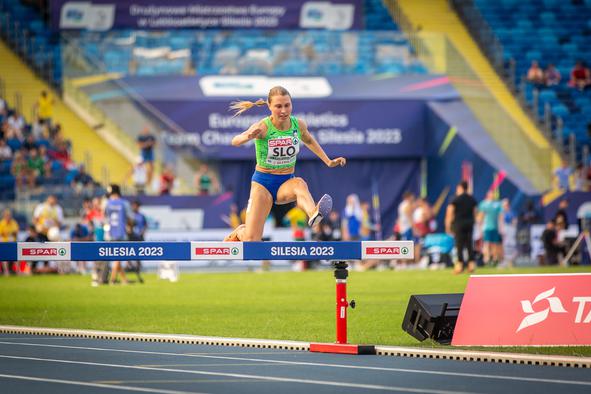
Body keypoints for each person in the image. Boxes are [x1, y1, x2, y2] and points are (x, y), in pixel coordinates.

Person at [223, 86, 345, 242]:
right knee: (251, 241)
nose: (283, 110)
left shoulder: (298, 125)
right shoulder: (263, 126)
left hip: (285, 182)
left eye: (287, 105)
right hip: (263, 184)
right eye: (278, 106)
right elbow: (235, 140)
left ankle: (314, 214)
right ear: (269, 106)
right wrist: (248, 136)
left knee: (300, 184)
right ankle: (241, 231)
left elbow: (309, 140)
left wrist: (328, 161)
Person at [445, 181, 478, 274]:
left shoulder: (456, 199)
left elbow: (450, 211)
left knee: (459, 245)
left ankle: (459, 266)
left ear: (460, 187)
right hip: (469, 224)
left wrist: (448, 225)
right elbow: (475, 211)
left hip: (458, 224)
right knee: (469, 244)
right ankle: (471, 265)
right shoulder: (471, 199)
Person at [104, 184, 132, 284]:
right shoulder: (124, 203)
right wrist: (129, 226)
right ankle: (112, 279)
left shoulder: (107, 203)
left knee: (116, 257)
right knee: (118, 257)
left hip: (110, 233)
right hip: (121, 233)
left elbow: (105, 218)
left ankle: (124, 280)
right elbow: (130, 219)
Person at [478, 190, 503, 266]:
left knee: (495, 244)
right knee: (487, 243)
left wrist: (501, 228)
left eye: (493, 194)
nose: (492, 195)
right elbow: (481, 216)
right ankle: (487, 259)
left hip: (495, 227)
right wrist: (480, 228)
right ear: (488, 195)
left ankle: (495, 259)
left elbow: (500, 217)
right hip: (486, 227)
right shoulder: (484, 204)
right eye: (491, 193)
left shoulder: (498, 204)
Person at [0, 208, 19, 276]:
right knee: (4, 257)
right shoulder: (1, 223)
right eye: (6, 215)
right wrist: (9, 233)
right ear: (4, 216)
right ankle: (6, 271)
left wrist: (8, 233)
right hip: (4, 243)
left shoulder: (14, 223)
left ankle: (17, 271)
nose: (8, 216)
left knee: (17, 257)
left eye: (9, 215)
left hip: (13, 243)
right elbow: (1, 234)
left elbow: (16, 232)